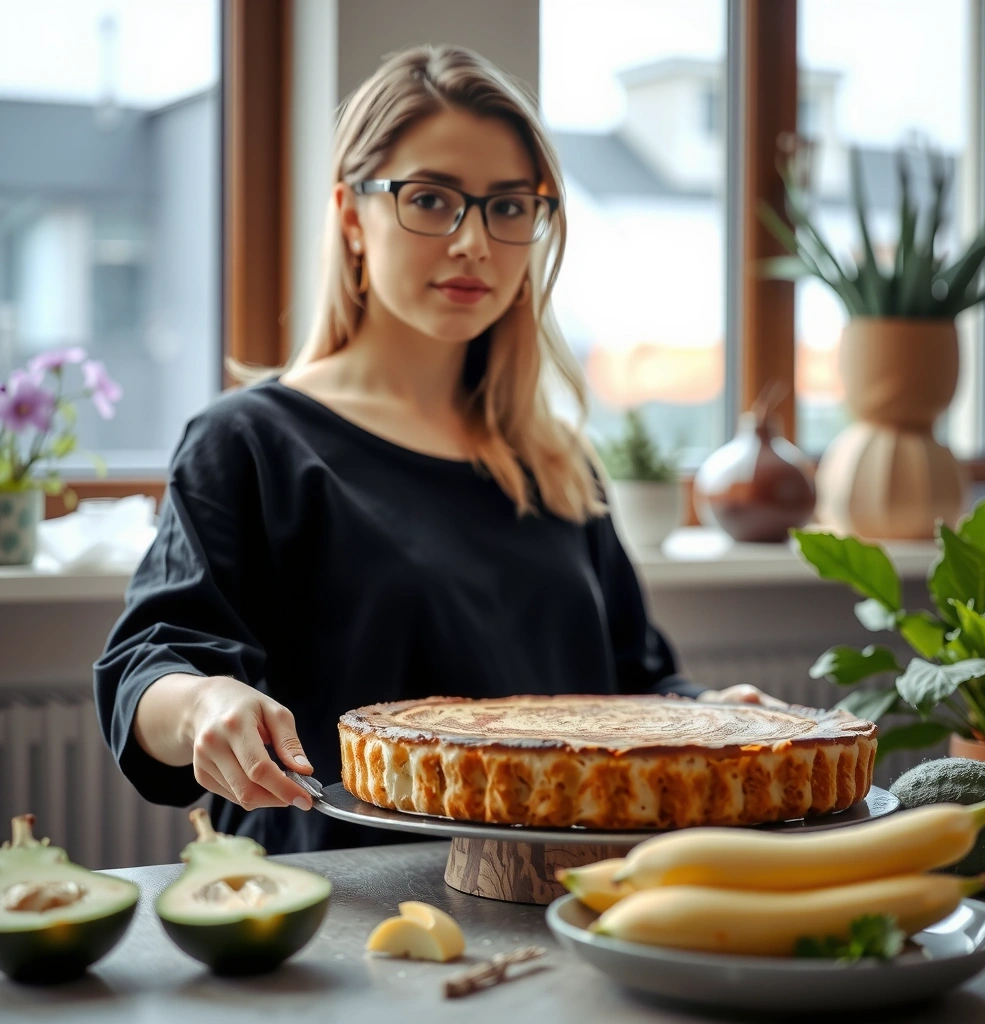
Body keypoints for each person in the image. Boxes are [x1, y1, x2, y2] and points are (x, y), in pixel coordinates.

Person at [94, 44, 777, 856]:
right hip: (349, 920)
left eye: (509, 207)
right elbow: (150, 665)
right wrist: (203, 704)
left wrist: (704, 710)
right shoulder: (250, 441)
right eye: (430, 199)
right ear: (351, 217)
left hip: (569, 898)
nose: (474, 243)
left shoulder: (553, 462)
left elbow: (638, 680)